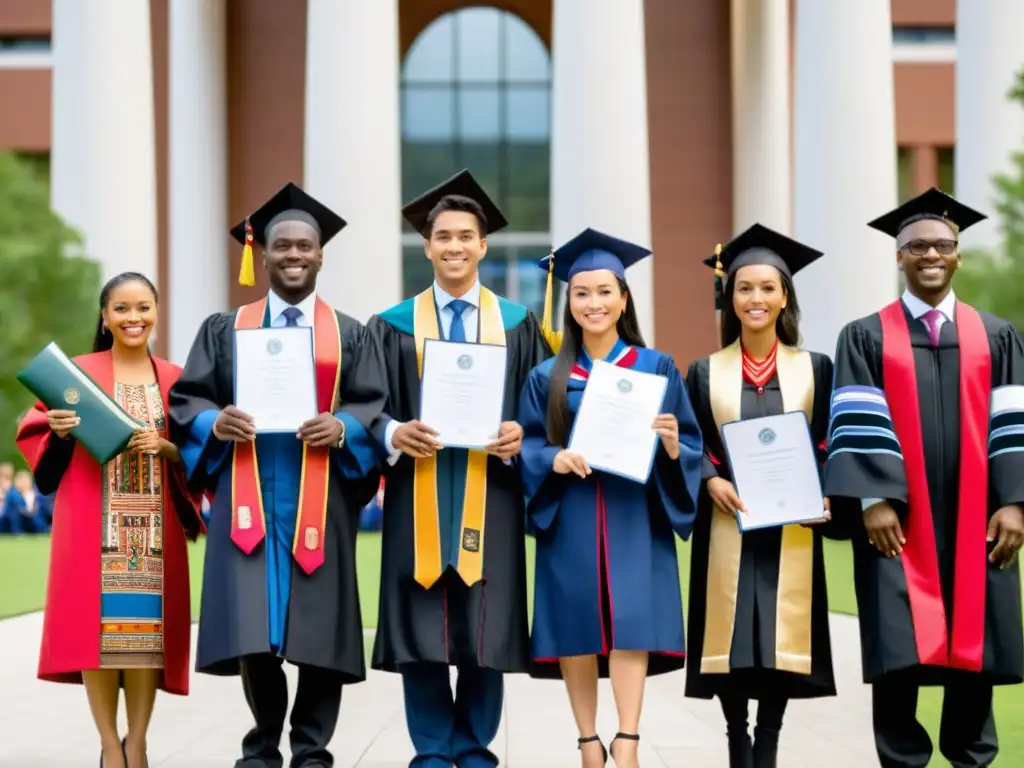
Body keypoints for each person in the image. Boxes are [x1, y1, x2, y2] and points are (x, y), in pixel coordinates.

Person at [167, 182, 387, 768]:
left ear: (321, 255)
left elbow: (372, 406)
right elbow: (188, 400)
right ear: (260, 254)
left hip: (321, 498)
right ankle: (262, 744)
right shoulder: (224, 328)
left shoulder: (349, 333)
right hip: (249, 497)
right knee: (253, 631)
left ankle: (312, 749)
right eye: (281, 246)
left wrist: (342, 428)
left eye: (304, 246)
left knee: (319, 630)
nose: (293, 255)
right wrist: (216, 423)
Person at [823, 187, 1024, 768]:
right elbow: (856, 419)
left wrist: (1014, 502)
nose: (930, 255)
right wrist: (873, 500)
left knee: (974, 655)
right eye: (917, 246)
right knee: (897, 657)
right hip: (899, 524)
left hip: (977, 520)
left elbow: (1013, 422)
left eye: (943, 246)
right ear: (899, 257)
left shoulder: (999, 336)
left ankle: (970, 759)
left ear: (959, 255)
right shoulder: (864, 336)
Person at [366, 170, 551, 768]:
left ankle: (473, 750)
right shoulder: (391, 325)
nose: (453, 246)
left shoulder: (520, 325)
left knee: (484, 626)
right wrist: (395, 431)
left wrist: (523, 432)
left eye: (465, 236)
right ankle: (431, 752)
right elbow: (366, 406)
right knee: (420, 625)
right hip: (415, 489)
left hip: (489, 493)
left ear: (482, 245)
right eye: (441, 236)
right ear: (426, 245)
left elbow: (543, 407)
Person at [517, 228, 703, 768]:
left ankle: (627, 739)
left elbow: (689, 442)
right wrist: (552, 458)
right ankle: (586, 742)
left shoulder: (656, 368)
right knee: (576, 623)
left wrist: (673, 444)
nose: (593, 303)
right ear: (567, 301)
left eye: (604, 292)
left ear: (624, 298)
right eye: (581, 293)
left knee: (630, 622)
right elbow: (528, 443)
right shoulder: (546, 376)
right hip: (570, 513)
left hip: (633, 514)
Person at [15, 272, 204, 768]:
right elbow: (46, 475)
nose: (133, 317)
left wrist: (167, 448)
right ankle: (109, 746)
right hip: (91, 527)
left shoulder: (177, 378)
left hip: (152, 531)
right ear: (104, 317)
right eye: (121, 308)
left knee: (144, 641)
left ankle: (137, 743)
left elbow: (200, 454)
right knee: (98, 639)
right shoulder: (75, 375)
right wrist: (57, 433)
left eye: (143, 307)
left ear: (157, 313)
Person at [682, 225, 837, 768]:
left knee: (776, 641)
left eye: (767, 288)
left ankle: (767, 741)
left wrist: (824, 492)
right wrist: (708, 479)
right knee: (733, 639)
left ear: (785, 296)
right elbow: (691, 439)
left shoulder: (814, 368)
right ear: (730, 296)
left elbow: (827, 444)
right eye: (744, 288)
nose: (756, 299)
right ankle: (734, 738)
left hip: (791, 527)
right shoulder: (705, 372)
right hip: (729, 525)